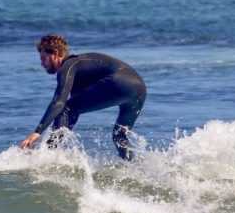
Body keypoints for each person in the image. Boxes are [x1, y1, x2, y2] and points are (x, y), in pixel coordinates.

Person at [19, 34, 147, 160]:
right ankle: (134, 166)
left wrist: (37, 132)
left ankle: (46, 157)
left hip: (120, 82)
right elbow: (71, 114)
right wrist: (61, 132)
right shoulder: (81, 70)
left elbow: (59, 102)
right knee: (119, 136)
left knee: (66, 108)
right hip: (140, 89)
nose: (42, 64)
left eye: (43, 58)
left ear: (55, 53)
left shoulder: (68, 66)